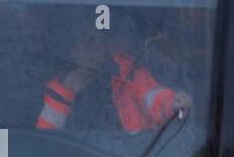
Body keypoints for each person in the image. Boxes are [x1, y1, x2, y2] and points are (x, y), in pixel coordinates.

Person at [36, 22, 191, 136]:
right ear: (72, 50)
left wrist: (173, 102)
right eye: (85, 41)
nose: (94, 48)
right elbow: (45, 140)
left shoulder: (129, 74)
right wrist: (67, 90)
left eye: (96, 41)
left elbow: (153, 95)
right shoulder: (57, 90)